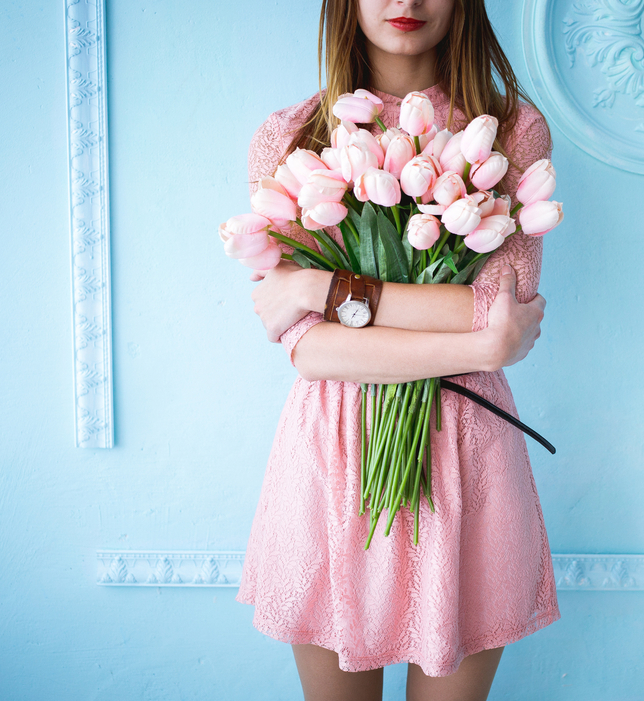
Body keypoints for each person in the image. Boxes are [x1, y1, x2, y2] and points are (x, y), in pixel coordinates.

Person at [235, 1, 559, 699]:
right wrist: (473, 341)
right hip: (334, 456)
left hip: (466, 455)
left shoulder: (511, 132)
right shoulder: (290, 138)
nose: (405, 2)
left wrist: (326, 286)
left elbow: (498, 315)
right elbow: (311, 352)